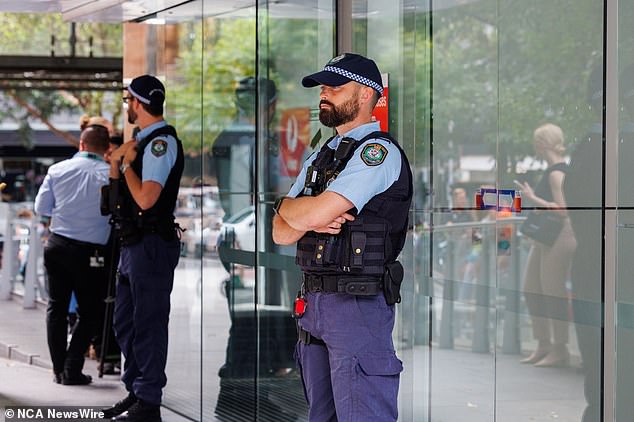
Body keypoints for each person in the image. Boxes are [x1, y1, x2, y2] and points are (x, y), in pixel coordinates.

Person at [272, 53, 413, 421]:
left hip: (357, 307)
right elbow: (280, 232)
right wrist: (298, 211)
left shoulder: (376, 153)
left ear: (366, 95)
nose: (324, 93)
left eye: (335, 86)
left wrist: (299, 210)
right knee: (322, 415)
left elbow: (310, 214)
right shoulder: (323, 154)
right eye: (323, 86)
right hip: (315, 301)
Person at [100, 75, 183, 422]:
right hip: (133, 244)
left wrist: (125, 164)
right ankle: (136, 392)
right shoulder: (140, 142)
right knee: (124, 323)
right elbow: (115, 201)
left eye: (128, 102)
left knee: (147, 324)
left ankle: (148, 400)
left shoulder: (160, 143)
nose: (128, 109)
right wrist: (117, 165)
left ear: (138, 103)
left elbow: (147, 198)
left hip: (151, 245)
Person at [34, 124, 111, 385]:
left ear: (81, 144)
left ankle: (58, 369)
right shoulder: (109, 174)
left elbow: (41, 208)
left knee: (56, 308)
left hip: (57, 246)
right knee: (90, 312)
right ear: (107, 149)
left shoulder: (57, 170)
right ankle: (72, 367)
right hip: (91, 253)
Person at [516, 123, 577, 367]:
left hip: (560, 235)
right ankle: (544, 344)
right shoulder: (556, 169)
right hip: (548, 237)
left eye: (536, 141)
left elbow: (564, 210)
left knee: (553, 291)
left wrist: (534, 199)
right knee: (532, 288)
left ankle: (559, 347)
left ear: (542, 143)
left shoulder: (556, 173)